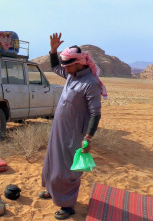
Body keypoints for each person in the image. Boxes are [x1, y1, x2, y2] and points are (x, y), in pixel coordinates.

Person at [40, 33, 107, 220]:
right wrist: (53, 50)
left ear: (79, 62)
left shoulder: (90, 84)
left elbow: (95, 113)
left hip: (74, 133)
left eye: (68, 65)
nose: (65, 69)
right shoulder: (72, 75)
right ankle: (53, 192)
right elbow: (55, 66)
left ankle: (67, 206)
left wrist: (88, 137)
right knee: (52, 160)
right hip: (59, 129)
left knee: (68, 169)